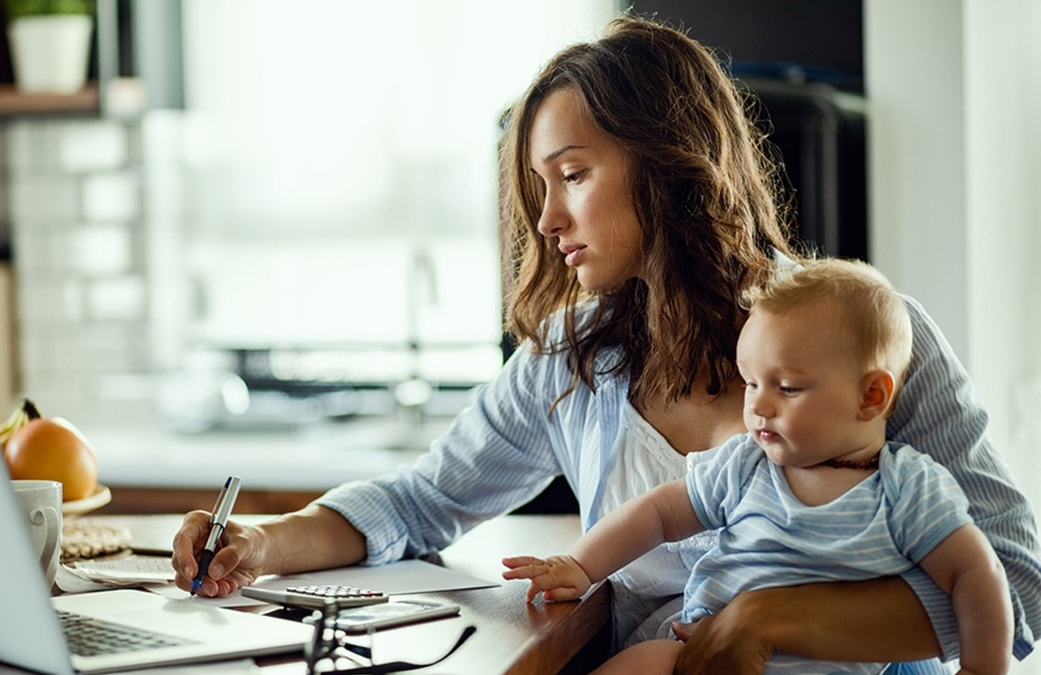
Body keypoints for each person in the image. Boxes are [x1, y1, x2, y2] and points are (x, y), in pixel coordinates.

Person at [171, 15, 1041, 674]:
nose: (547, 221)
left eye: (574, 176)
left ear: (669, 163)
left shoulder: (875, 339)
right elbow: (418, 502)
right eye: (539, 187)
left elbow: (1017, 585)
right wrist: (261, 539)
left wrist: (768, 620)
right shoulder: (570, 357)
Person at [503, 258, 1012, 675]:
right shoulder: (747, 465)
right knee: (646, 662)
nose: (759, 407)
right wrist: (581, 565)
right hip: (701, 654)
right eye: (751, 383)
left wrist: (981, 667)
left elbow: (979, 572)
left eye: (786, 387)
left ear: (871, 395)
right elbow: (657, 513)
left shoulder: (906, 488)